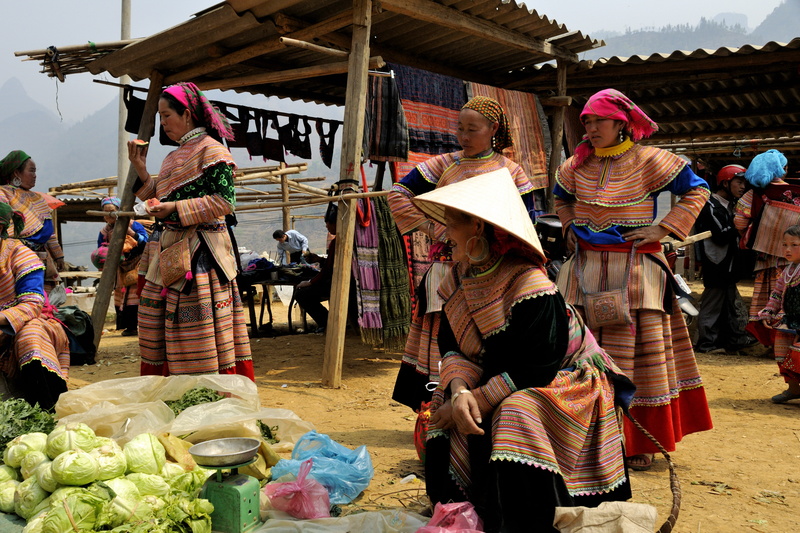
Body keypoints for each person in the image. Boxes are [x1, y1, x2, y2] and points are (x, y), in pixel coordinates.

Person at [412, 171, 634, 533]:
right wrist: (459, 392)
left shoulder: (529, 283)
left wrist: (479, 399)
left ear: (478, 229)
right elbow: (452, 347)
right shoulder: (457, 279)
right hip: (504, 374)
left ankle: (522, 522)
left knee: (516, 411)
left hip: (567, 378)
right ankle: (460, 512)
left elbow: (538, 364)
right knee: (441, 409)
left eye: (451, 225)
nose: (444, 234)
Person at [553, 88, 713, 471]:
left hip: (637, 270)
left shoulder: (650, 160)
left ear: (621, 122)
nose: (590, 128)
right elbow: (561, 198)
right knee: (578, 351)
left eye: (598, 120)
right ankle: (579, 437)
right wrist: (569, 224)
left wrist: (664, 229)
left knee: (636, 360)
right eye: (586, 121)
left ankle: (635, 440)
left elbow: (698, 189)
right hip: (585, 269)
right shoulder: (575, 166)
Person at [388, 96, 535, 413]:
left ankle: (484, 406)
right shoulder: (444, 165)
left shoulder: (512, 172)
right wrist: (436, 229)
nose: (463, 137)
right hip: (446, 270)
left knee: (486, 341)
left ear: (493, 129)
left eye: (472, 129)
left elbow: (528, 221)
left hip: (495, 276)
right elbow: (398, 194)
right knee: (443, 341)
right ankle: (432, 407)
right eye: (460, 129)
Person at [127, 81, 254, 380]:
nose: (162, 123)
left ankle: (207, 391)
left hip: (201, 254)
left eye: (166, 115)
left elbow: (224, 202)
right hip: (168, 252)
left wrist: (174, 209)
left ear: (187, 114)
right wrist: (141, 168)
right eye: (160, 117)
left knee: (197, 329)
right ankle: (170, 390)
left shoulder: (213, 151)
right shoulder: (173, 156)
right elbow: (160, 196)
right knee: (158, 325)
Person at [0, 202, 70, 410]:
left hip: (20, 329)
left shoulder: (19, 255)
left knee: (31, 335)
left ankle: (48, 407)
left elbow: (32, 304)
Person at [734, 149, 796, 353]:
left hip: (764, 258)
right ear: (782, 169)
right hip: (794, 261)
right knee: (790, 297)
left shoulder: (752, 195)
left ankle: (771, 344)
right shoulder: (796, 192)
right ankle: (789, 344)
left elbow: (739, 221)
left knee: (768, 298)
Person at [694, 165, 755, 353]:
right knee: (712, 304)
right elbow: (720, 234)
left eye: (745, 183)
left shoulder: (731, 206)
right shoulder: (711, 205)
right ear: (725, 183)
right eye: (739, 182)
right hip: (716, 264)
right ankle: (706, 344)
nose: (743, 187)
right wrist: (741, 225)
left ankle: (733, 339)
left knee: (730, 304)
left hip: (728, 264)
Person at [0, 150, 65, 292]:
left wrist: (58, 256)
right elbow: (4, 226)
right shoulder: (3, 193)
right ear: (16, 172)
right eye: (31, 171)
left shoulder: (39, 198)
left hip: (42, 258)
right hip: (16, 258)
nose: (35, 176)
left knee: (41, 302)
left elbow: (49, 233)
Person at [94, 196, 149, 336]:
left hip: (138, 264)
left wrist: (131, 234)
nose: (109, 215)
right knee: (123, 296)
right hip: (120, 267)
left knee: (137, 295)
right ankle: (130, 327)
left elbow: (146, 242)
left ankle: (143, 326)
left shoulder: (133, 225)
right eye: (106, 212)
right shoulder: (104, 232)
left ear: (119, 211)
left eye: (112, 211)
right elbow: (101, 249)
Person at [757, 224, 800, 403]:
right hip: (788, 321)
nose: (787, 249)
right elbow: (776, 293)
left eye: (794, 245)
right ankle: (793, 389)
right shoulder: (786, 271)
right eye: (784, 245)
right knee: (782, 354)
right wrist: (769, 311)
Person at [293, 207, 338, 334]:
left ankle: (327, 322)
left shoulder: (337, 242)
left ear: (335, 223)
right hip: (336, 280)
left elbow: (329, 270)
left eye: (327, 224)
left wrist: (311, 282)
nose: (327, 228)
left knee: (301, 294)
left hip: (337, 283)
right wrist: (319, 259)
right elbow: (331, 264)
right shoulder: (337, 241)